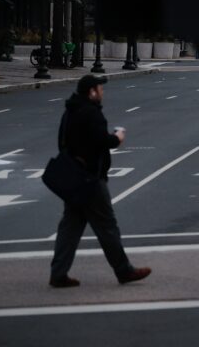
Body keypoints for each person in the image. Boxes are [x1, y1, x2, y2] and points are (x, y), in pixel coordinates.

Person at [49, 75, 151, 287]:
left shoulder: (70, 111)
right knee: (107, 226)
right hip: (91, 179)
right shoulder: (91, 113)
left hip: (73, 179)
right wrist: (118, 137)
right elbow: (102, 141)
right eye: (100, 89)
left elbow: (62, 142)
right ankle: (124, 271)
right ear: (92, 92)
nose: (102, 92)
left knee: (70, 226)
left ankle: (58, 273)